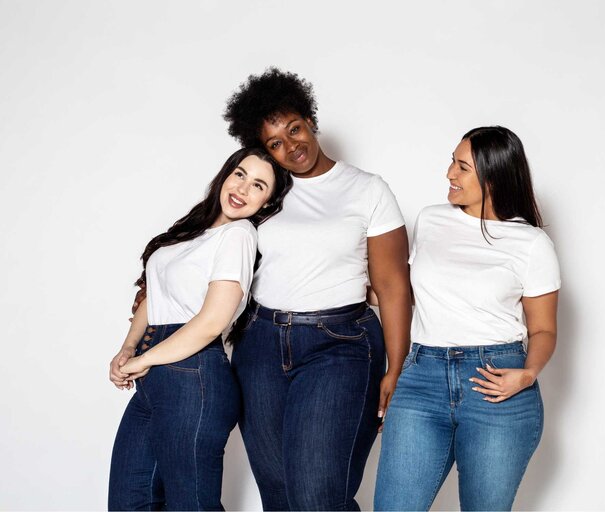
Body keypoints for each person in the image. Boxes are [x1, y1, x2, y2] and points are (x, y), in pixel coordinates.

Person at [223, 68, 412, 511]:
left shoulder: (367, 189)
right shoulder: (264, 193)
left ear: (310, 119)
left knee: (317, 497)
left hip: (340, 346)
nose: (291, 146)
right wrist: (148, 289)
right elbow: (211, 243)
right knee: (280, 497)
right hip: (261, 348)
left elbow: (392, 285)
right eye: (275, 143)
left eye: (294, 129)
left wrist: (396, 367)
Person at [374, 126, 561, 511]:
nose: (449, 174)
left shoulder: (531, 244)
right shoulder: (431, 220)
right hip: (421, 377)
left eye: (462, 167)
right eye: (452, 161)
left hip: (495, 382)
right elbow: (405, 294)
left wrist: (527, 374)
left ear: (493, 178)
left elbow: (543, 328)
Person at [107, 147, 292, 511]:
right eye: (240, 174)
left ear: (267, 202)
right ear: (226, 173)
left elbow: (211, 322)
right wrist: (127, 349)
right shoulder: (194, 232)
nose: (242, 188)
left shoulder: (238, 236)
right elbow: (152, 295)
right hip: (157, 371)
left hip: (193, 376)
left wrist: (145, 358)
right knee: (129, 501)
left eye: (258, 185)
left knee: (191, 505)